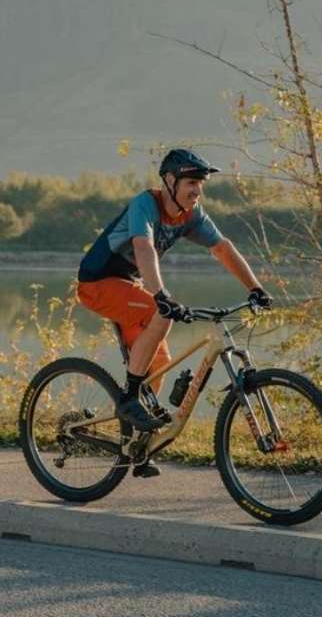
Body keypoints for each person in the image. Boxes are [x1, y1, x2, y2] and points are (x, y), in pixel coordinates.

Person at [76, 149, 271, 476]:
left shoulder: (191, 215)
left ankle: (138, 444)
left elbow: (222, 248)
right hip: (98, 282)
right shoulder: (145, 204)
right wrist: (160, 294)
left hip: (132, 285)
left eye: (201, 184)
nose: (198, 190)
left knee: (160, 360)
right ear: (169, 181)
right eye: (191, 182)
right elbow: (143, 248)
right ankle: (128, 400)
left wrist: (255, 288)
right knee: (160, 313)